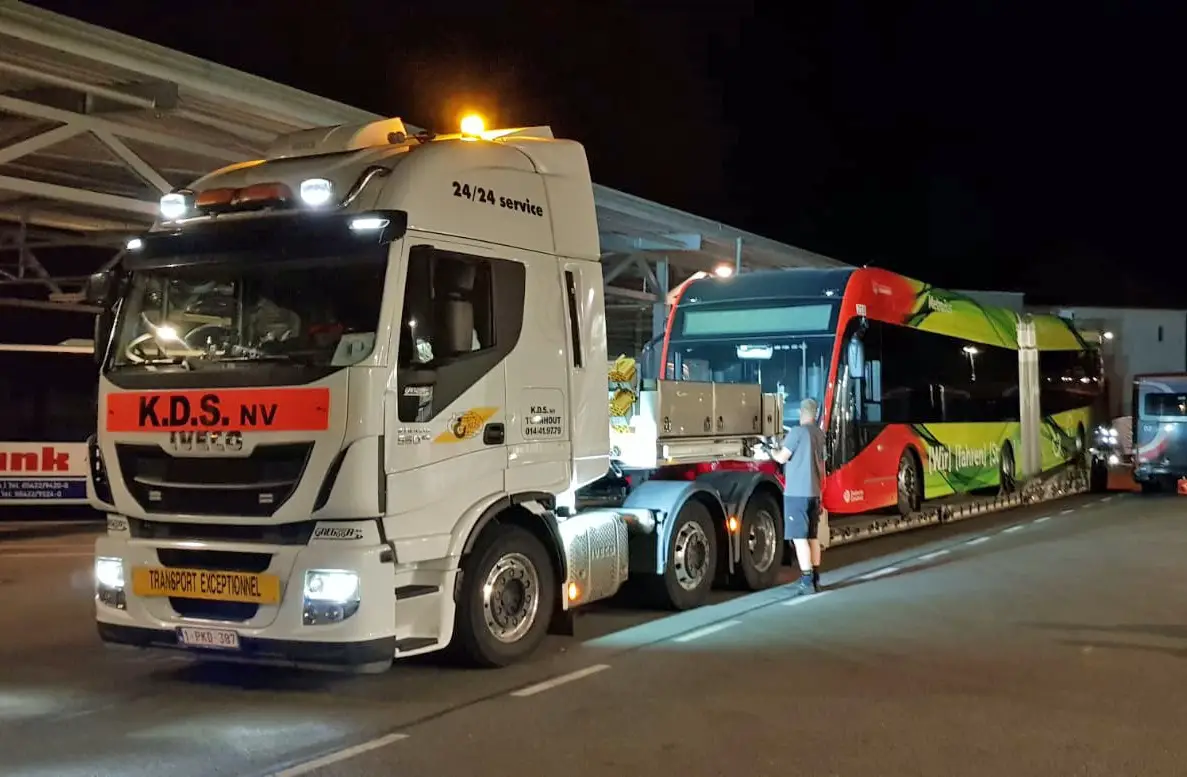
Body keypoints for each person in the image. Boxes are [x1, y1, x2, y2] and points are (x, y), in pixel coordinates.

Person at [770, 397, 827, 594]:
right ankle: (816, 579)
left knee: (799, 538)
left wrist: (771, 450)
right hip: (814, 493)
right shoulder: (819, 434)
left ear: (802, 413)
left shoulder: (797, 432)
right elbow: (822, 465)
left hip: (797, 493)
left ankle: (806, 580)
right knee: (812, 536)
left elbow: (782, 457)